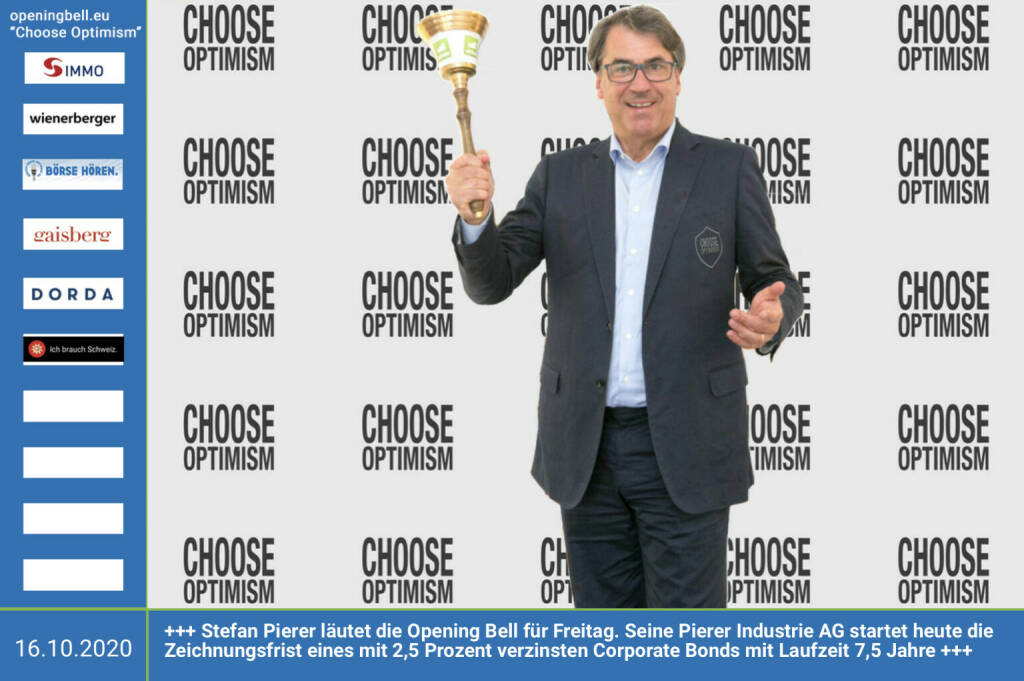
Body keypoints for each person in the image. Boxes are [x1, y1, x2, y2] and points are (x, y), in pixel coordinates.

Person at [445, 5, 803, 608]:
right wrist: (475, 218)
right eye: (622, 68)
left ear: (678, 77)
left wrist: (774, 317)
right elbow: (492, 283)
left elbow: (775, 279)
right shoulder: (559, 176)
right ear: (599, 82)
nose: (640, 83)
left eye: (656, 66)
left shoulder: (728, 168)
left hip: (689, 444)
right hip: (586, 449)